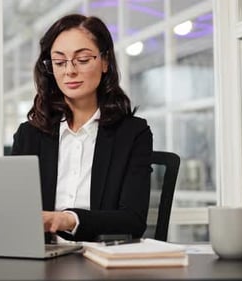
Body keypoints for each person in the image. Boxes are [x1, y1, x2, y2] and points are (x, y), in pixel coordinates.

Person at [11, 14, 153, 242]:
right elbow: (14, 213)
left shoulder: (133, 133)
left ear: (105, 61)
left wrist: (69, 220)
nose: (70, 71)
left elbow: (132, 220)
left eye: (83, 60)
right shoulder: (29, 134)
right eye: (59, 62)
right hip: (42, 257)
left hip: (102, 259)